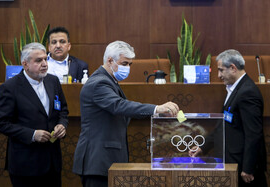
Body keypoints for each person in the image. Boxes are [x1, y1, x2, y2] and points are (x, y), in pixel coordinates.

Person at [73, 40, 180, 187]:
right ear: (110, 60)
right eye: (124, 64)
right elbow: (119, 105)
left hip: (105, 161)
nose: (128, 68)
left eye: (130, 64)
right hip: (98, 161)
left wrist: (159, 114)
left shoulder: (110, 80)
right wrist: (156, 108)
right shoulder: (98, 82)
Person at [0, 42, 69, 187]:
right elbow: (1, 123)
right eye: (38, 60)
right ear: (25, 64)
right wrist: (32, 134)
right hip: (26, 164)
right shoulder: (10, 87)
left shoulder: (53, 81)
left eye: (45, 59)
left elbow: (63, 110)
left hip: (52, 162)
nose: (44, 64)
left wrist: (62, 124)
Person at [189, 49, 267, 187]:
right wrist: (203, 147)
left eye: (221, 70)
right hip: (232, 163)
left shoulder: (248, 92)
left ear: (233, 68)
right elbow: (223, 125)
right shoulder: (234, 89)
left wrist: (248, 168)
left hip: (243, 167)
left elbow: (253, 134)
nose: (219, 75)